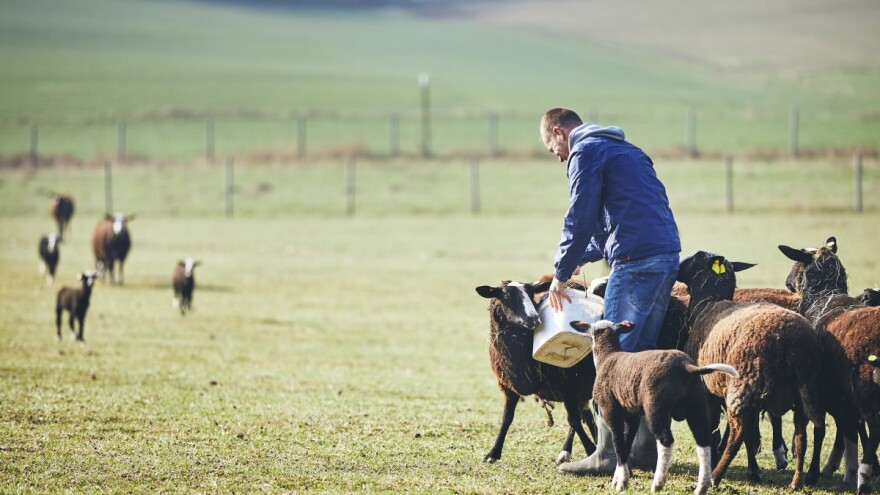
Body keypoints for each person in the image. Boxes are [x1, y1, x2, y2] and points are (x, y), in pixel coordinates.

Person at [539, 107, 681, 475]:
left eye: (552, 148)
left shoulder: (584, 151)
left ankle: (607, 453)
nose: (557, 157)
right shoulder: (625, 150)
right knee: (643, 359)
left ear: (558, 132)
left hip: (636, 262)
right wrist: (572, 263)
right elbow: (605, 229)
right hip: (665, 257)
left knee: (612, 359)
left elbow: (580, 215)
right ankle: (645, 452)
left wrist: (558, 274)